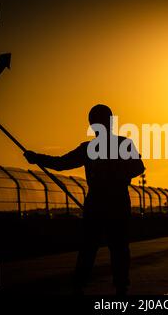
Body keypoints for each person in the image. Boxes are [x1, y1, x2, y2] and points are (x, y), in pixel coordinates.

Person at [24, 104, 145, 295]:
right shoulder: (121, 144)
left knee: (95, 248)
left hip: (102, 203)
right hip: (112, 203)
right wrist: (37, 158)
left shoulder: (95, 148)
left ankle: (87, 285)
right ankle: (117, 287)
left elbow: (61, 163)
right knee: (114, 247)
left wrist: (37, 158)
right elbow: (138, 167)